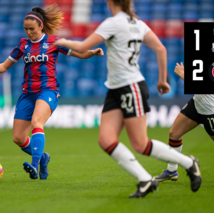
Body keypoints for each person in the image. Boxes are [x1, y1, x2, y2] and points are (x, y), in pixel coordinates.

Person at [54, 0, 202, 198]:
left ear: (110, 2)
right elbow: (161, 49)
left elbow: (82, 45)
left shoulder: (113, 23)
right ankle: (145, 180)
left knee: (141, 144)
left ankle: (188, 163)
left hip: (130, 87)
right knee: (106, 140)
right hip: (116, 88)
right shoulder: (137, 23)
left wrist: (62, 42)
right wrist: (162, 80)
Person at [0, 5, 104, 180]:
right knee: (18, 138)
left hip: (48, 90)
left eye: (31, 29)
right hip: (28, 93)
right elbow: (5, 65)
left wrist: (92, 53)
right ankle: (43, 158)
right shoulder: (23, 44)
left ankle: (34, 165)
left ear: (41, 26)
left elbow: (78, 53)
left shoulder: (53, 41)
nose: (28, 32)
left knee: (37, 121)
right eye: (26, 29)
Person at [155, 63, 214, 182]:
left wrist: (182, 74)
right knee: (174, 134)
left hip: (212, 109)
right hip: (197, 103)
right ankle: (171, 171)